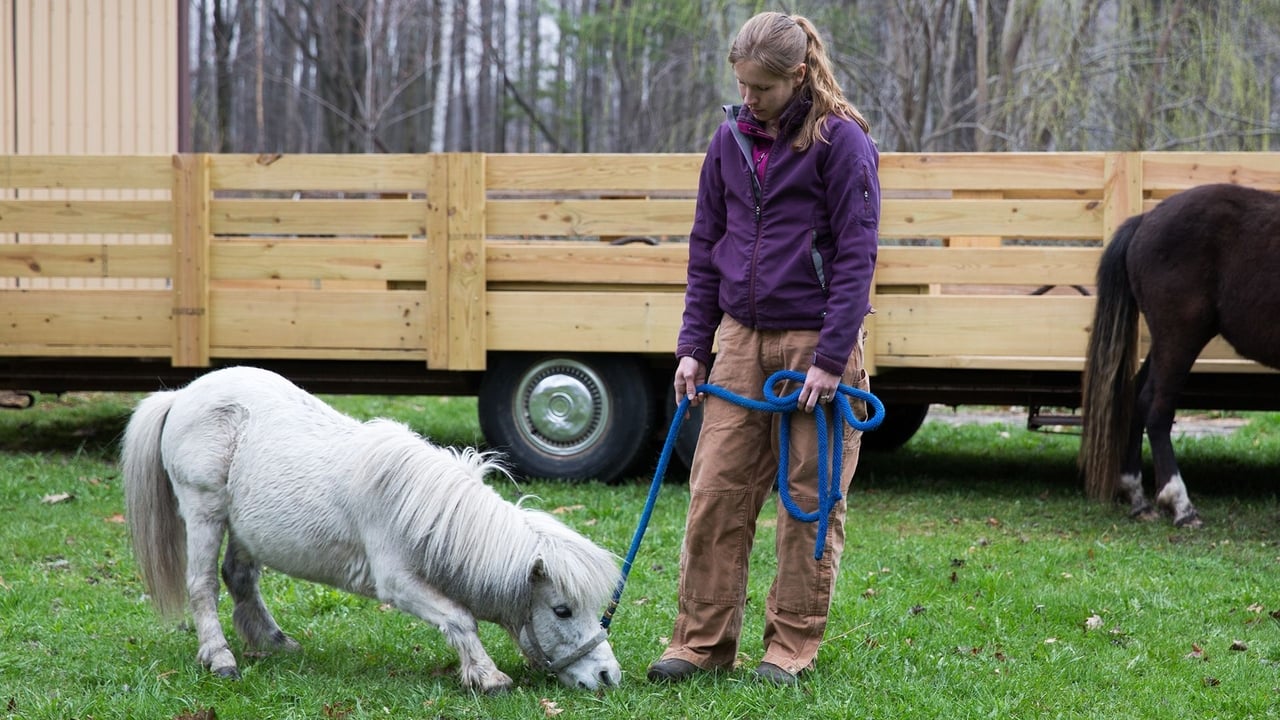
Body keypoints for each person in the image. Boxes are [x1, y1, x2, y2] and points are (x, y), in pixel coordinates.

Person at [647, 11, 880, 686]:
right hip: (740, 338)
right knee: (716, 491)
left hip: (815, 341)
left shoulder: (842, 144)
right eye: (742, 85)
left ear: (799, 76)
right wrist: (694, 345)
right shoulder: (728, 141)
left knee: (808, 500)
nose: (749, 98)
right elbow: (704, 249)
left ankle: (790, 645)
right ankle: (700, 640)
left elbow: (858, 256)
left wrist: (832, 359)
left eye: (763, 88)